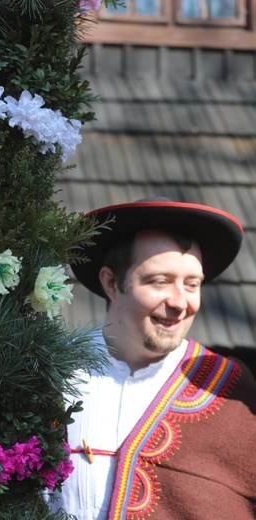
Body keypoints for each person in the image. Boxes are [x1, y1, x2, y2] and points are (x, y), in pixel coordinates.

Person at [50, 197, 256, 520]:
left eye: (192, 285)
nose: (179, 302)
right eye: (159, 282)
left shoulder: (231, 391)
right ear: (111, 283)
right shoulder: (50, 373)